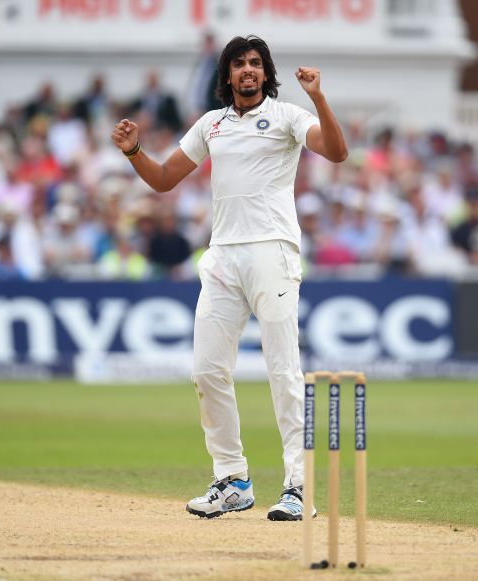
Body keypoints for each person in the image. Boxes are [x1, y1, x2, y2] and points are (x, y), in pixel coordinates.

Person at [111, 35, 347, 521]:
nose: (248, 70)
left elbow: (337, 152)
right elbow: (162, 179)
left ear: (266, 73)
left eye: (256, 64)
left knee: (283, 371)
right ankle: (232, 479)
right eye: (239, 64)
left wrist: (319, 98)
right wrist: (135, 151)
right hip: (222, 255)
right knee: (207, 370)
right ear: (227, 75)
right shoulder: (211, 124)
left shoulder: (287, 116)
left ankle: (299, 487)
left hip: (272, 252)